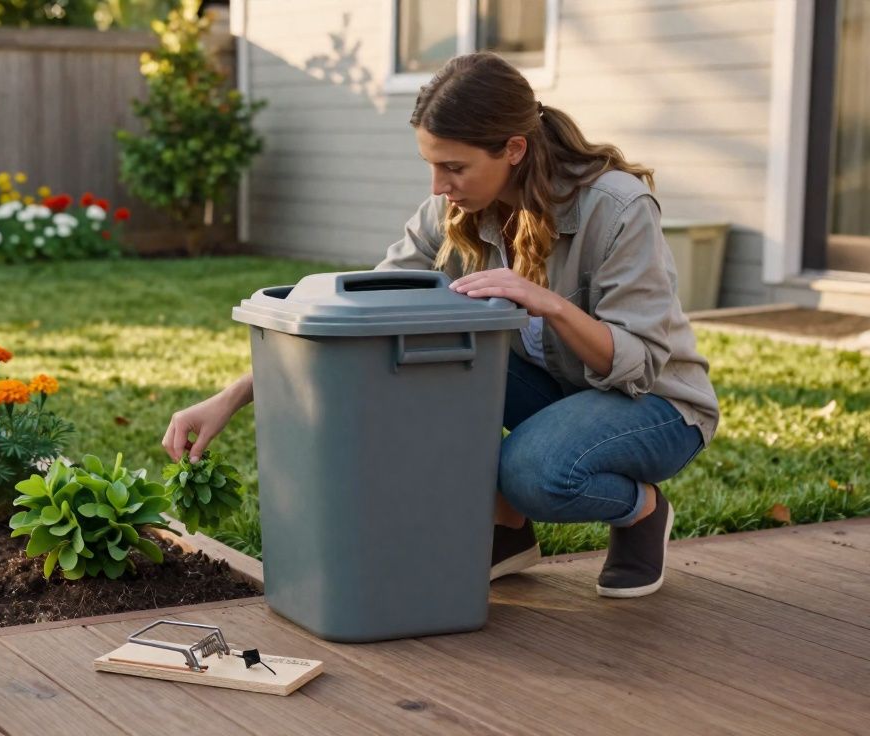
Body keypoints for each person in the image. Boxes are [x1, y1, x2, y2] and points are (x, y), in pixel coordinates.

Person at [161, 52, 719, 599]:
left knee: (533, 472)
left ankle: (642, 511)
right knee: (394, 366)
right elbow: (357, 321)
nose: (437, 186)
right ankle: (508, 530)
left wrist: (546, 302)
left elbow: (640, 361)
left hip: (654, 406)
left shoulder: (617, 207)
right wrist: (233, 395)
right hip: (558, 390)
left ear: (514, 149)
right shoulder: (453, 210)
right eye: (431, 164)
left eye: (454, 167)